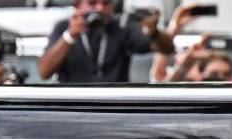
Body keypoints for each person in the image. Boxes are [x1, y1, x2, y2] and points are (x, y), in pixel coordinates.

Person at [38, 0, 184, 83]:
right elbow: (44, 72)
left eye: (105, 3)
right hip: (75, 106)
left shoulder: (121, 27)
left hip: (113, 105)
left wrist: (154, 33)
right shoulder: (64, 27)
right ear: (77, 5)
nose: (100, 9)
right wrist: (69, 37)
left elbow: (167, 49)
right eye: (92, 3)